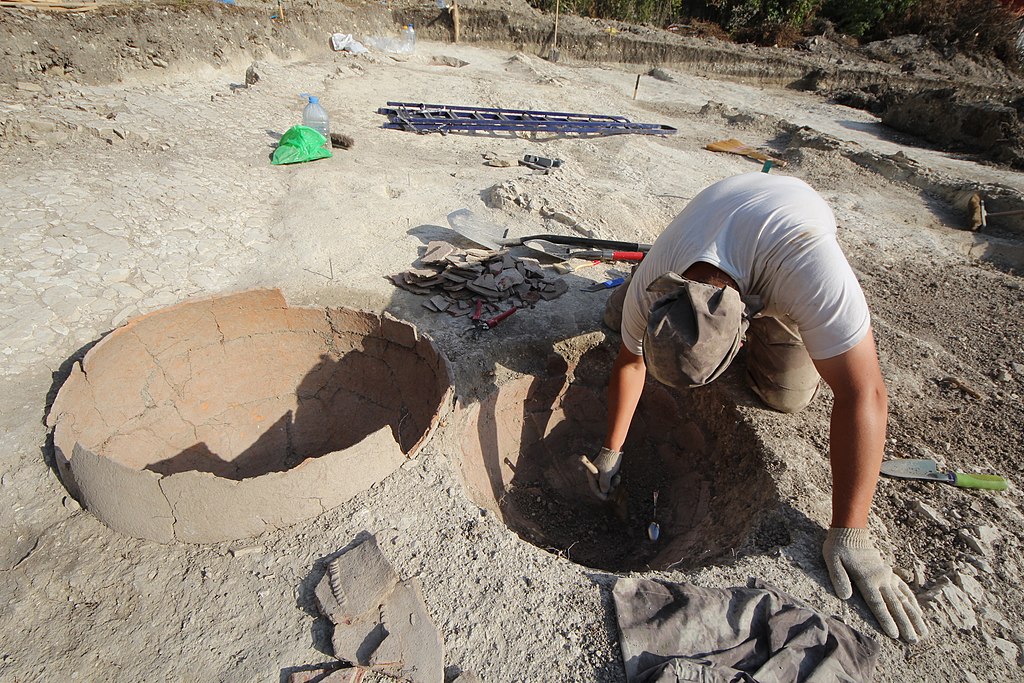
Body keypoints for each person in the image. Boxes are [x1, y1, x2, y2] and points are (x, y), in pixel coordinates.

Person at [583, 171, 928, 643]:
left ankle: (771, 332)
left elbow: (864, 393)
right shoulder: (653, 282)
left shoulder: (812, 271)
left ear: (741, 335)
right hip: (717, 213)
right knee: (616, 317)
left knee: (786, 396)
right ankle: (624, 301)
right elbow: (629, 362)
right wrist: (612, 450)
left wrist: (851, 531)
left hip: (785, 231)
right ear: (666, 294)